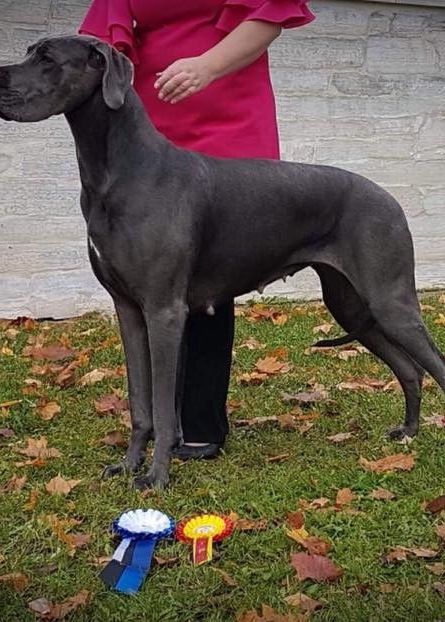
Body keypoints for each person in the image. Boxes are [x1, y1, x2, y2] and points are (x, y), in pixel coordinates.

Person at [79, 0, 314, 460]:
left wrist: (207, 66)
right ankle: (158, 424)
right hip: (151, 127)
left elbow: (269, 16)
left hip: (228, 115)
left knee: (210, 280)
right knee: (153, 280)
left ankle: (201, 422)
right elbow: (99, 44)